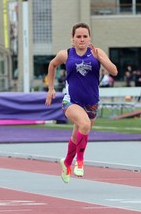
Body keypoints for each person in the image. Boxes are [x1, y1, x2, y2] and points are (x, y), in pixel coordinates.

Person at [45, 22, 118, 183]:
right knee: (84, 125)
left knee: (77, 136)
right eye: (78, 36)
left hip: (91, 103)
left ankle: (66, 163)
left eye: (85, 36)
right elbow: (52, 64)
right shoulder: (66, 54)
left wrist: (101, 59)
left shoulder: (97, 53)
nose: (82, 39)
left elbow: (114, 71)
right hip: (71, 101)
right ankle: (80, 162)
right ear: (72, 39)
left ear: (89, 38)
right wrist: (51, 88)